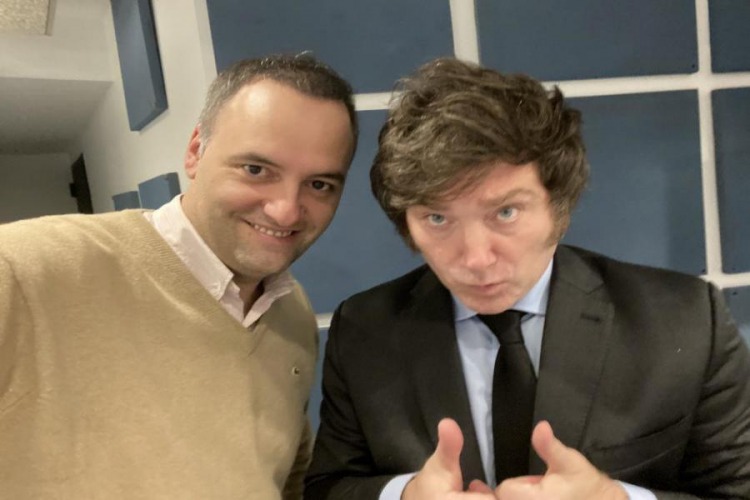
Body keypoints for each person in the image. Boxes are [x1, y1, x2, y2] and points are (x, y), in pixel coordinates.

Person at [304, 58, 750, 500]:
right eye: (437, 218)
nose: (476, 258)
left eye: (505, 212)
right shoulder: (363, 332)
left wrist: (613, 499)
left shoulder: (686, 321)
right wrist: (405, 497)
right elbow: (329, 488)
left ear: (558, 205)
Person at [0, 53, 357, 499]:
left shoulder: (292, 310)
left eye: (319, 185)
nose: (286, 210)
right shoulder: (23, 267)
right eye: (256, 170)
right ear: (195, 151)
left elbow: (285, 478)